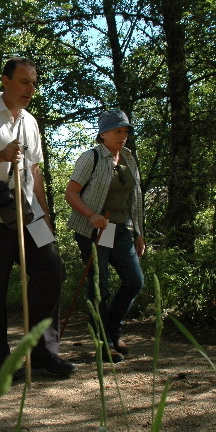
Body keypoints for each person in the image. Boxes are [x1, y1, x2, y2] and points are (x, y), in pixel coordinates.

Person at [0, 57, 75, 379]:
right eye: (24, 82)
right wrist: (1, 154)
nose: (30, 89)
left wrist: (45, 214)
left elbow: (35, 171)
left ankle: (42, 353)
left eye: (34, 83)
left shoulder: (30, 121)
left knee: (52, 271)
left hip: (30, 214)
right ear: (6, 81)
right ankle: (0, 361)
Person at [64, 109, 145, 363]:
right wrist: (91, 215)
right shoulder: (92, 158)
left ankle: (113, 330)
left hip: (120, 230)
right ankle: (103, 343)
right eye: (117, 131)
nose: (123, 136)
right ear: (103, 134)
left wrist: (140, 233)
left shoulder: (129, 158)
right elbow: (71, 193)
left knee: (134, 281)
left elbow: (136, 197)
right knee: (100, 287)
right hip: (93, 230)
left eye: (126, 131)